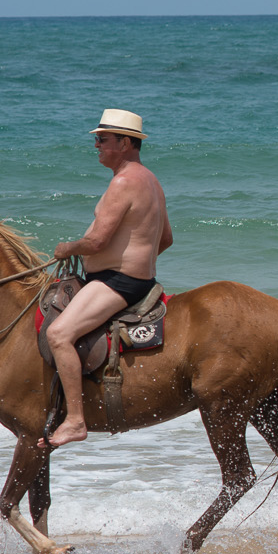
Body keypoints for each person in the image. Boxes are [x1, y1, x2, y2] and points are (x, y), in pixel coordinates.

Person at [40, 109, 173, 449]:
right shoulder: (152, 180)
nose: (96, 145)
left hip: (118, 282)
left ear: (125, 142)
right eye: (96, 139)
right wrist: (136, 252)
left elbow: (97, 241)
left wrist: (68, 248)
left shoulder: (123, 181)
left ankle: (74, 421)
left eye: (102, 139)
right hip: (136, 279)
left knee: (58, 334)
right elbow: (166, 239)